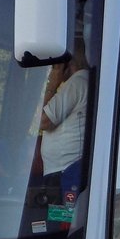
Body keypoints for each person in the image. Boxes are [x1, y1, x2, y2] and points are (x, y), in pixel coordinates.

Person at [39, 40, 89, 200]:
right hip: (65, 170)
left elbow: (44, 122)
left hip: (65, 172)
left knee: (60, 221)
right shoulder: (86, 83)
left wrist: (52, 84)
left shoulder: (78, 82)